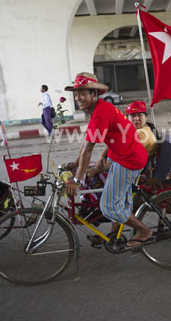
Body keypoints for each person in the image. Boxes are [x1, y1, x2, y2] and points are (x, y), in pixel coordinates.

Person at [64, 72, 152, 248]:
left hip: (128, 160)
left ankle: (144, 230)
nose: (78, 98)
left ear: (94, 94)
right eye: (76, 94)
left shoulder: (101, 112)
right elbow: (87, 142)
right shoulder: (97, 109)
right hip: (120, 156)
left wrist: (76, 180)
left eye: (83, 93)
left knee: (109, 207)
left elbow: (89, 149)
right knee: (117, 201)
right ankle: (115, 236)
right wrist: (75, 163)